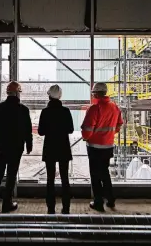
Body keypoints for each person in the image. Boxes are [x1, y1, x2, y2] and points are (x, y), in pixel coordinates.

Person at [0, 81, 33, 213]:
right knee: (11, 176)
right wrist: (28, 145)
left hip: (1, 148)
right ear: (18, 93)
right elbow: (27, 130)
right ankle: (7, 204)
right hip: (16, 148)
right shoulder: (23, 110)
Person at [81, 82, 123, 212]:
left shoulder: (94, 108)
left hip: (94, 147)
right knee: (105, 173)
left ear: (96, 93)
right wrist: (109, 135)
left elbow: (87, 129)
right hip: (108, 145)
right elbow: (119, 124)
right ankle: (110, 200)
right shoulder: (114, 107)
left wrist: (86, 137)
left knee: (95, 175)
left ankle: (98, 202)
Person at [38, 85, 74, 214]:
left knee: (50, 178)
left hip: (50, 147)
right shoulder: (66, 111)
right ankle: (66, 207)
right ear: (60, 96)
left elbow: (41, 132)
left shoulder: (45, 112)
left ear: (49, 96)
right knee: (65, 178)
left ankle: (51, 207)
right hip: (63, 147)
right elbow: (70, 129)